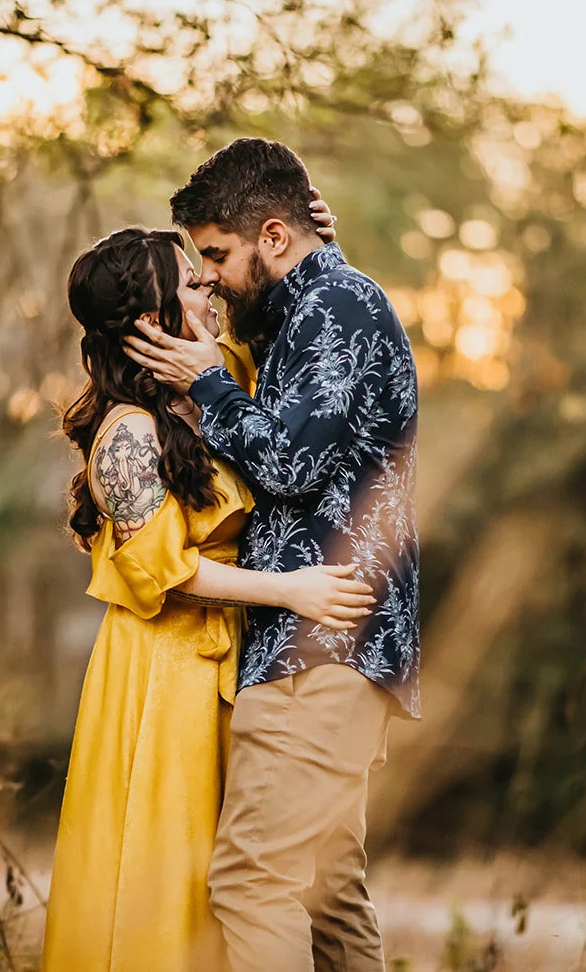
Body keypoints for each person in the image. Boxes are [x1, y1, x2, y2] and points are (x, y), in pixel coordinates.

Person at [40, 204, 364, 972]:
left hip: (232, 662)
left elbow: (310, 337)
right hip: (163, 676)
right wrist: (294, 591)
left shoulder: (221, 370)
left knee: (254, 879)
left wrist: (324, 246)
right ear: (152, 315)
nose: (212, 288)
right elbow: (169, 572)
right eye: (193, 282)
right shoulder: (124, 434)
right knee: (171, 880)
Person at [126, 138, 420, 972]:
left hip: (315, 653)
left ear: (278, 238)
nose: (210, 275)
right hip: (335, 651)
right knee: (330, 898)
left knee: (251, 881)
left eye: (218, 253)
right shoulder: (325, 307)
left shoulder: (335, 309)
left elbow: (290, 460)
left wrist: (210, 380)